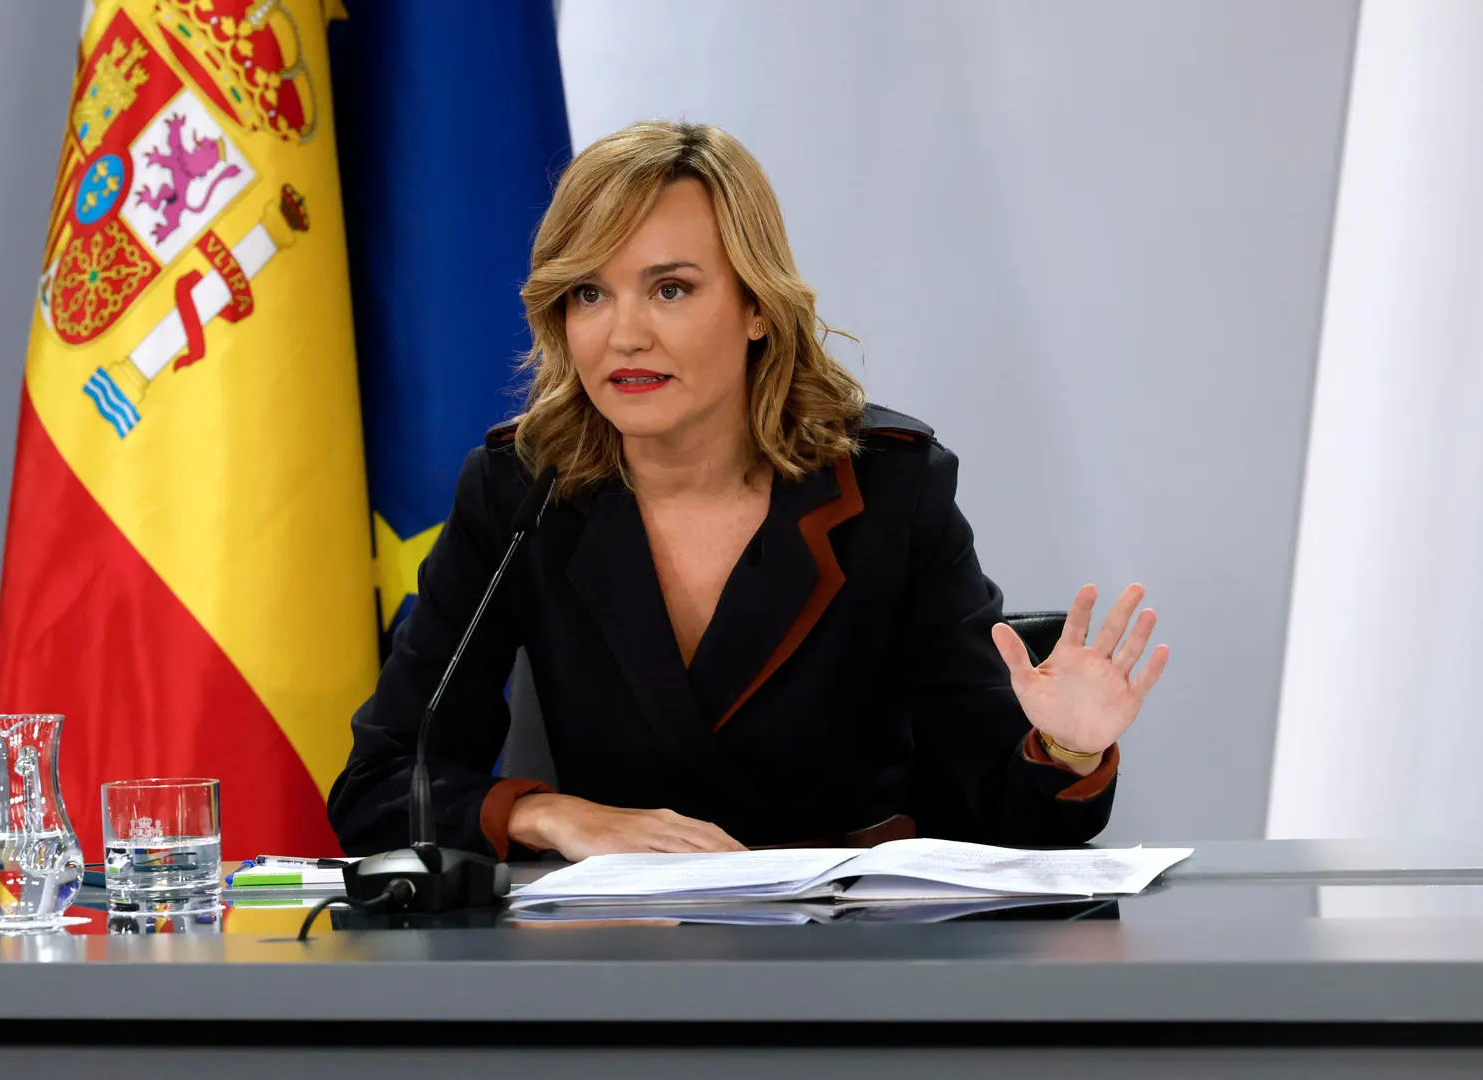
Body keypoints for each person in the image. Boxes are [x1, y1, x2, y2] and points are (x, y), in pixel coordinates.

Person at [327, 121, 1168, 862]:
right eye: (589, 293)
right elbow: (382, 783)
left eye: (671, 289)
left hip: (850, 969)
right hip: (620, 965)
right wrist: (553, 816)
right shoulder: (521, 491)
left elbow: (1006, 810)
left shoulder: (887, 484)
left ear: (758, 306)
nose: (624, 334)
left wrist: (1066, 748)